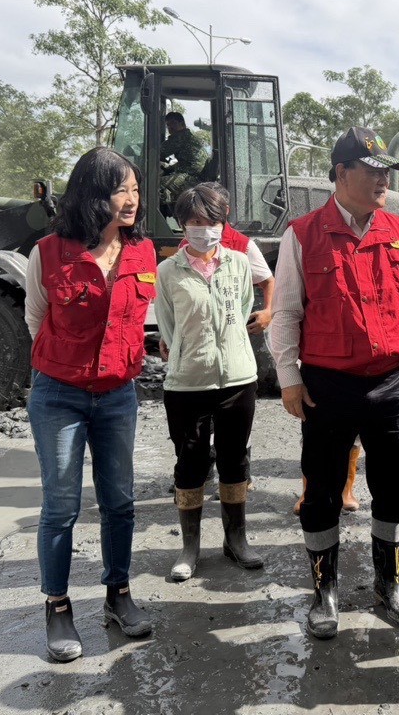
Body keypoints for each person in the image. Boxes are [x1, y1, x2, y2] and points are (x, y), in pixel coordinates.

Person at [269, 127, 399, 640]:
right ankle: (325, 590)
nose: (384, 179)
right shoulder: (302, 234)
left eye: (388, 171)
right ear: (341, 174)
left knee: (393, 488)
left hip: (392, 381)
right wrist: (289, 378)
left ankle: (390, 583)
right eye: (374, 170)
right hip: (327, 385)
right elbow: (287, 312)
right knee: (321, 492)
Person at [24, 147, 156, 662]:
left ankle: (117, 594)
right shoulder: (49, 252)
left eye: (136, 190)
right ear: (91, 193)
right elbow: (37, 318)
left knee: (119, 500)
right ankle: (57, 607)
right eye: (120, 189)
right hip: (59, 393)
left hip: (118, 395)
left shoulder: (144, 253)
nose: (131, 200)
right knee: (61, 504)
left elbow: (142, 321)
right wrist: (67, 365)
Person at [155, 183, 263, 581]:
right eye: (196, 222)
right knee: (191, 462)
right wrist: (186, 353)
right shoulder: (167, 271)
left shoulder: (237, 263)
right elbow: (168, 325)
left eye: (212, 221)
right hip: (187, 383)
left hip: (237, 379)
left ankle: (237, 540)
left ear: (223, 223)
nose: (205, 229)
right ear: (183, 225)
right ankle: (189, 546)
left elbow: (245, 309)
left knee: (236, 459)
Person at [161, 112, 206, 203]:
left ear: (182, 124)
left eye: (173, 123)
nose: (170, 128)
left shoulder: (180, 137)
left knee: (154, 183)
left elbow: (158, 152)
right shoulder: (189, 136)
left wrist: (132, 149)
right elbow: (185, 161)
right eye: (168, 125)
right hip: (198, 176)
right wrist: (169, 167)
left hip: (192, 178)